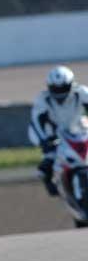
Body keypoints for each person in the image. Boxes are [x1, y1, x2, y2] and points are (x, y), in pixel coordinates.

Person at [28, 65, 88, 196]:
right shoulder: (43, 99)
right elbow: (36, 123)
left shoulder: (81, 93)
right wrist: (44, 142)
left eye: (64, 88)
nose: (60, 93)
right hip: (55, 133)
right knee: (48, 161)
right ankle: (49, 180)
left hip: (77, 128)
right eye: (56, 88)